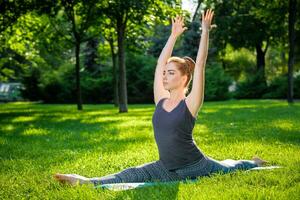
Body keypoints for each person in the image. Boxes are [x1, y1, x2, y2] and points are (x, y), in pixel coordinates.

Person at [53, 9, 268, 187]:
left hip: (195, 166)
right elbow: (159, 65)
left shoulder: (190, 104)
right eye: (165, 73)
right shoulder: (161, 100)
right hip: (166, 166)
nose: (165, 76)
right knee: (131, 173)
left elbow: (200, 65)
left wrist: (205, 31)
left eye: (171, 73)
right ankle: (85, 181)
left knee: (229, 167)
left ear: (185, 78)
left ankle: (253, 162)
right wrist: (173, 35)